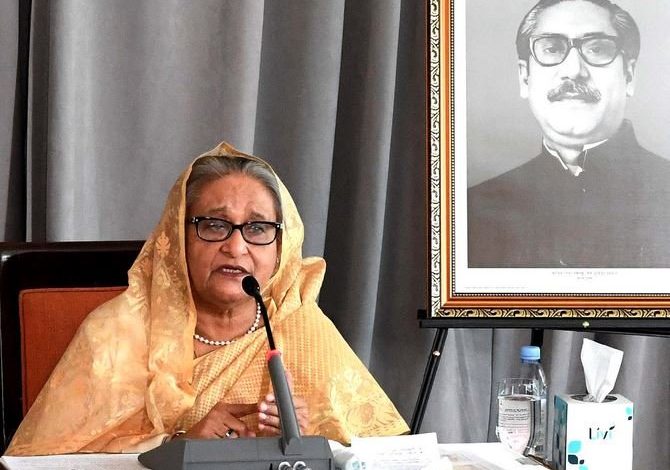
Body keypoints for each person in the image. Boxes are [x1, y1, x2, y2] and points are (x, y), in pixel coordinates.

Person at [6, 142, 408, 455]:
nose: (236, 247)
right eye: (215, 225)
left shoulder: (298, 327)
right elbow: (46, 463)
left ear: (281, 248)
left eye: (257, 228)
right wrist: (179, 447)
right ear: (178, 238)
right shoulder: (116, 334)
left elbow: (380, 455)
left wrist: (306, 441)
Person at [468, 0, 670, 268]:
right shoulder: (470, 211)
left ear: (629, 76)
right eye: (552, 48)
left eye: (597, 49)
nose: (574, 71)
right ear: (525, 79)